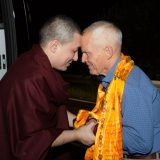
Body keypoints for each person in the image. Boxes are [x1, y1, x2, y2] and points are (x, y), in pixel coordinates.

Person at [0, 15, 96, 160]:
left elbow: (55, 109)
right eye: (74, 50)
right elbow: (35, 139)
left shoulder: (34, 61)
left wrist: (78, 120)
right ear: (54, 46)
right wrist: (78, 135)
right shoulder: (30, 79)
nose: (76, 58)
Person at [74, 20, 160, 159]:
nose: (83, 59)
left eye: (86, 53)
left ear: (108, 51)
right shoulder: (112, 78)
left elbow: (141, 143)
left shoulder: (130, 85)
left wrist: (97, 130)